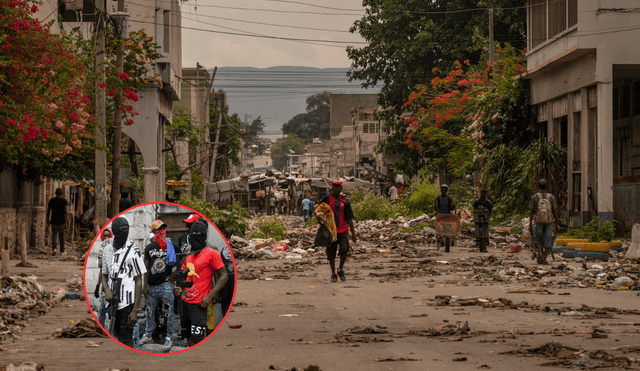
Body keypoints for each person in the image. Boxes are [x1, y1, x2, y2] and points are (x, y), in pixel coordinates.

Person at [180, 220, 228, 346]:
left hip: (200, 303)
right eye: (193, 233)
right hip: (185, 302)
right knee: (188, 336)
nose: (195, 235)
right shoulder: (188, 255)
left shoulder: (212, 253)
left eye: (198, 233)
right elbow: (184, 277)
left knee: (199, 338)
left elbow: (223, 275)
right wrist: (178, 287)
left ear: (204, 235)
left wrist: (211, 295)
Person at [102, 216, 146, 348]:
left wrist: (135, 310)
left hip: (128, 303)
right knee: (115, 336)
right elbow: (104, 275)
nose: (124, 233)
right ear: (114, 231)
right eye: (121, 230)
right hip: (112, 302)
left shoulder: (134, 250)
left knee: (127, 339)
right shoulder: (107, 251)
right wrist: (106, 289)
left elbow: (139, 281)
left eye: (127, 230)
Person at [140, 220, 175, 352]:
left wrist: (175, 274)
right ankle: (147, 335)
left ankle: (169, 337)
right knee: (149, 312)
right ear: (154, 232)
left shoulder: (169, 245)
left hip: (165, 285)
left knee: (168, 312)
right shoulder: (149, 247)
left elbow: (181, 260)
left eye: (163, 228)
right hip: (152, 286)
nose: (162, 231)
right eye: (159, 229)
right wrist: (145, 286)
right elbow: (146, 268)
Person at [320, 179, 357, 282]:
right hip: (331, 231)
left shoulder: (345, 202)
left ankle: (340, 269)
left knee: (344, 249)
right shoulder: (327, 199)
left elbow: (349, 218)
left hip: (343, 230)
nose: (335, 188)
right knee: (331, 253)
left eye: (337, 187)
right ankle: (333, 273)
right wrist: (321, 222)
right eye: (334, 186)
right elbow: (319, 211)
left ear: (341, 188)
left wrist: (353, 233)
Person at [528, 179, 560, 265]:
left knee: (538, 237)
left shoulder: (535, 196)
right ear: (546, 186)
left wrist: (530, 223)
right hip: (549, 221)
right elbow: (555, 210)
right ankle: (545, 259)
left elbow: (531, 211)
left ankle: (540, 253)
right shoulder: (551, 197)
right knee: (548, 238)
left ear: (538, 186)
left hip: (539, 221)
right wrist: (557, 223)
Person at [94, 228, 112, 326]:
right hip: (105, 284)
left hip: (113, 283)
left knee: (111, 310)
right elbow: (101, 269)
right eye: (104, 236)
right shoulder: (102, 248)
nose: (106, 237)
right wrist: (97, 286)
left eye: (108, 236)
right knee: (102, 309)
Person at [47, 188, 68, 256]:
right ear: (62, 193)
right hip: (61, 221)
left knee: (54, 234)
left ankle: (54, 249)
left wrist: (47, 219)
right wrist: (66, 221)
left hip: (54, 220)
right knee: (61, 236)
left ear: (55, 193)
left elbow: (48, 210)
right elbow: (65, 212)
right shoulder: (64, 201)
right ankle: (62, 250)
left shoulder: (52, 200)